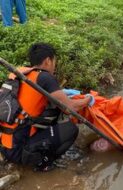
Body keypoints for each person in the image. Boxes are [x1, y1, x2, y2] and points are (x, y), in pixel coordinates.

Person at [0, 42, 94, 171]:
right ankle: (43, 163)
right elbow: (70, 108)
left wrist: (63, 94)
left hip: (6, 145)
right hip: (19, 151)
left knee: (52, 112)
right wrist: (89, 98)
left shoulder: (20, 72)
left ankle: (35, 150)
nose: (55, 65)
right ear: (48, 61)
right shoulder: (45, 77)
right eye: (54, 61)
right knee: (71, 129)